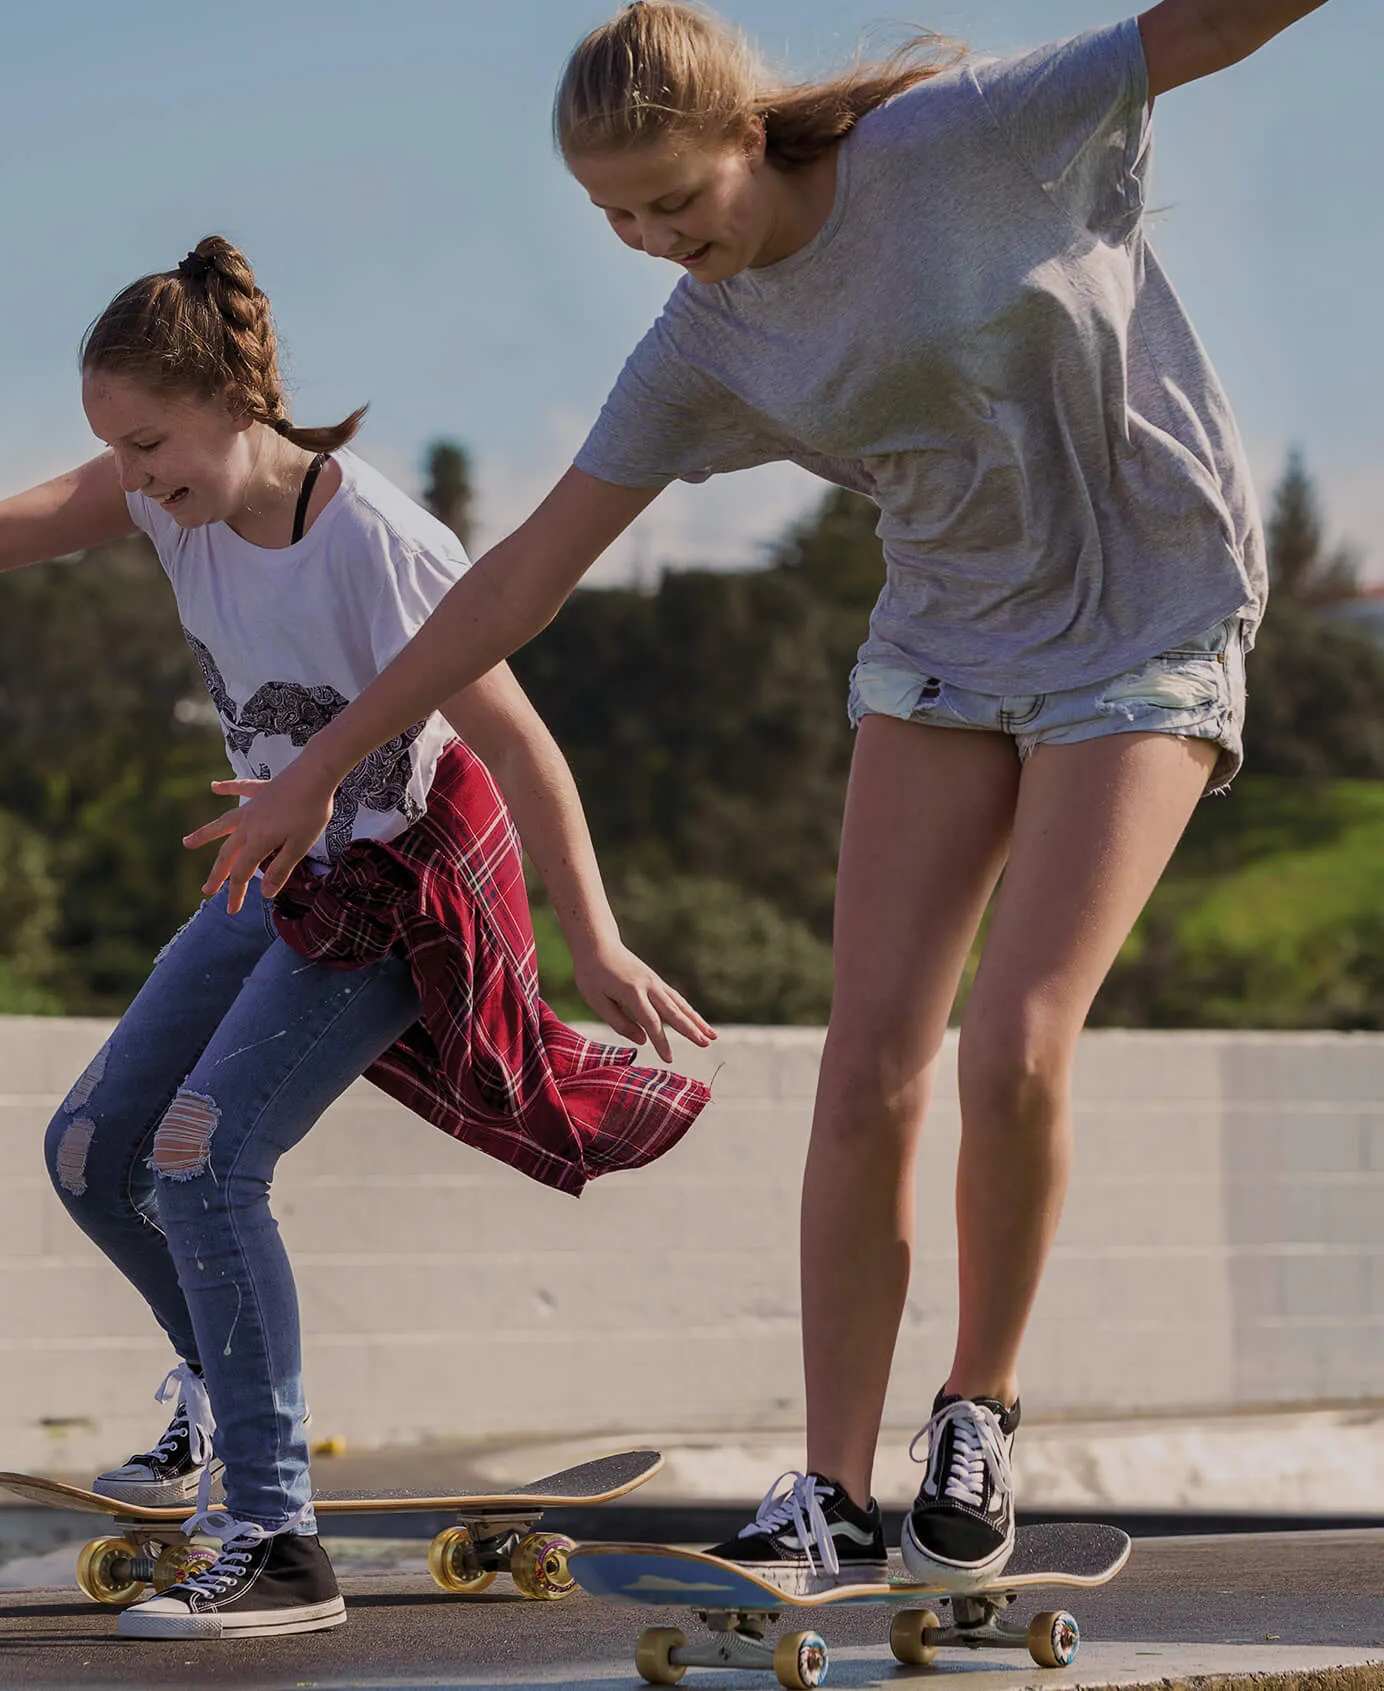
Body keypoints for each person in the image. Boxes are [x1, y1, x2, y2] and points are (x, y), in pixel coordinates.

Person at [188, 0, 1331, 1596]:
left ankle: (978, 1409)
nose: (657, 240)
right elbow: (517, 576)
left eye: (676, 201)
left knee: (1013, 1038)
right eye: (617, 218)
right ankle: (829, 1489)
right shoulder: (704, 343)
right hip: (940, 648)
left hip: (1151, 622)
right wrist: (318, 766)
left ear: (751, 134)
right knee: (867, 1062)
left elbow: (1202, 25)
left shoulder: (970, 138)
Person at [0, 235, 716, 1640]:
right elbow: (3, 525)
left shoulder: (378, 546)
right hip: (276, 871)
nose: (133, 477)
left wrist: (593, 941)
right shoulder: (169, 502)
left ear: (240, 398)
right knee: (90, 1154)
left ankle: (276, 1534)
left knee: (201, 1158)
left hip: (394, 882)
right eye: (114, 449)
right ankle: (217, 1411)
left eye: (150, 443)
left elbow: (525, 747)